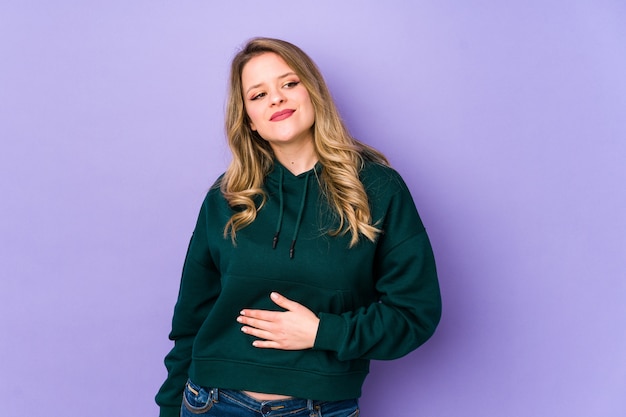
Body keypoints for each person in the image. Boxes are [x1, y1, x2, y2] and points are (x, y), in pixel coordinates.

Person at [155, 37, 442, 417]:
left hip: (320, 407)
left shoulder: (377, 189)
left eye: (289, 84)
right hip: (211, 403)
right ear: (249, 121)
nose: (276, 98)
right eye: (258, 95)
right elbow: (190, 321)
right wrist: (169, 408)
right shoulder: (226, 199)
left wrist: (323, 332)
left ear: (313, 93)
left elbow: (414, 312)